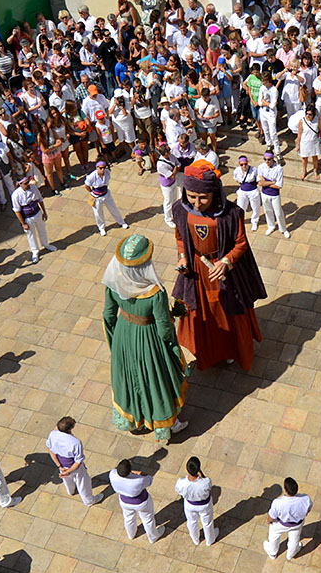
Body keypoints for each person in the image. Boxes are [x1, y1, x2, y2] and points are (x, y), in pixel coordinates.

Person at [172, 160, 267, 371]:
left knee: (226, 312)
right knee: (203, 314)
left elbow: (241, 243)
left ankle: (232, 350)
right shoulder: (180, 210)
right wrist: (183, 257)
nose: (197, 203)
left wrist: (226, 262)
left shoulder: (231, 214)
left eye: (203, 197)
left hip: (224, 273)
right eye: (192, 196)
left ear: (215, 193)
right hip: (197, 272)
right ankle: (207, 352)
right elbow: (180, 237)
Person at [103, 234, 189, 440]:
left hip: (124, 332)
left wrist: (117, 342)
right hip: (149, 339)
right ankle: (166, 423)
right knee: (155, 378)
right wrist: (171, 345)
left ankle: (137, 418)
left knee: (131, 375)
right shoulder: (155, 293)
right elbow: (163, 329)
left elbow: (108, 315)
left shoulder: (113, 282)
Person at [46, 416, 103, 507]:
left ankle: (71, 491)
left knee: (67, 480)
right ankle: (89, 501)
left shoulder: (52, 434)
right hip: (74, 467)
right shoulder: (75, 442)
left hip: (62, 465)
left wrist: (60, 467)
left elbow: (51, 450)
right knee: (84, 483)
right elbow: (78, 462)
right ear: (70, 428)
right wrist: (68, 471)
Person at [109, 458, 163, 543]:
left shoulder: (112, 474)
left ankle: (131, 534)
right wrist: (139, 473)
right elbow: (149, 479)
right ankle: (153, 537)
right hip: (141, 502)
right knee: (148, 519)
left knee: (128, 518)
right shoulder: (139, 480)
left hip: (124, 501)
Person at [11, 175, 58, 264]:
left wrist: (44, 212)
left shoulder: (33, 187)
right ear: (20, 184)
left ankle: (46, 244)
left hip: (37, 213)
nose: (27, 185)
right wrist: (23, 223)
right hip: (28, 217)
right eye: (25, 184)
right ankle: (35, 251)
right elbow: (17, 211)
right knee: (31, 234)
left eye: (27, 182)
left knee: (42, 230)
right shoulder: (16, 195)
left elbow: (40, 199)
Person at [264, 476, 313, 560]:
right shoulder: (305, 498)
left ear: (285, 490)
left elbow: (271, 516)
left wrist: (269, 521)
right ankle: (291, 554)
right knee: (295, 538)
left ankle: (272, 553)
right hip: (297, 524)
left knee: (274, 536)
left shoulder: (278, 503)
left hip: (281, 524)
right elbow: (308, 510)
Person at [174, 456, 217, 546]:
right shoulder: (206, 482)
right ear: (198, 469)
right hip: (204, 505)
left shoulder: (181, 483)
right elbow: (208, 485)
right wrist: (201, 473)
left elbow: (178, 490)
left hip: (190, 505)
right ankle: (210, 540)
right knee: (207, 523)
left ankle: (195, 539)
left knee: (192, 521)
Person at [85, 160, 128, 236]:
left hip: (106, 194)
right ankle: (101, 228)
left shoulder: (107, 172)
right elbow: (86, 185)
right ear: (97, 168)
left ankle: (121, 222)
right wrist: (92, 192)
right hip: (97, 197)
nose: (103, 170)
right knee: (98, 213)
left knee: (113, 208)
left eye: (104, 168)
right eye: (100, 168)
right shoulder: (92, 176)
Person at [257, 152, 289, 237]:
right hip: (264, 194)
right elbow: (260, 183)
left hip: (275, 195)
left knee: (278, 212)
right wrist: (271, 182)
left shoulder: (278, 169)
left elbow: (279, 185)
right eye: (265, 159)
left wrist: (265, 182)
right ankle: (271, 226)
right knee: (268, 211)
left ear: (272, 159)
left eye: (269, 159)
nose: (267, 161)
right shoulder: (261, 167)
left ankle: (283, 229)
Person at [234, 155, 263, 231]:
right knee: (240, 207)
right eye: (242, 165)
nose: (244, 166)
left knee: (255, 207)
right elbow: (236, 179)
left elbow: (258, 180)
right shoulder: (237, 171)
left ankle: (254, 222)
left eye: (245, 164)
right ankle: (239, 221)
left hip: (253, 191)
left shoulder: (253, 170)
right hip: (242, 191)